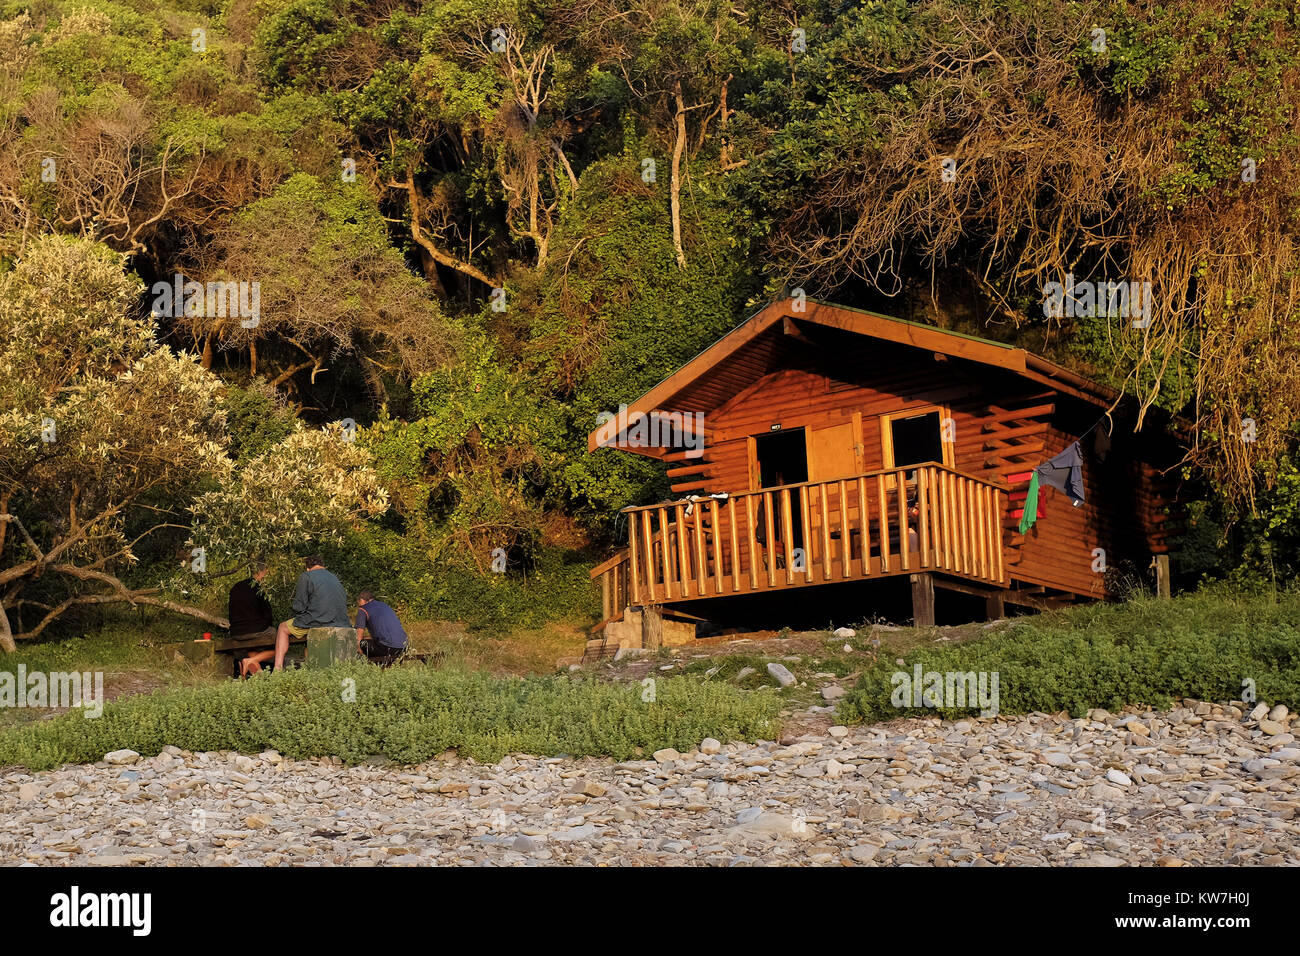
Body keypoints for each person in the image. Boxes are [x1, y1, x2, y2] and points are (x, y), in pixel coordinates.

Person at [271, 555, 352, 672]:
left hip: (318, 621)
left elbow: (299, 606)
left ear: (307, 567)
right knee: (308, 630)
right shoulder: (334, 577)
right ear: (323, 565)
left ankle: (277, 669)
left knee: (283, 627)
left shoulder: (306, 576)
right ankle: (309, 667)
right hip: (342, 622)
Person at [227, 561, 276, 677]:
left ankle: (259, 674)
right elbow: (268, 615)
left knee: (251, 646)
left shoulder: (236, 587)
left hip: (236, 632)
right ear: (262, 572)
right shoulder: (259, 588)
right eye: (266, 573)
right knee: (282, 642)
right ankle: (251, 661)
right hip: (256, 630)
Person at [354, 591, 408, 665]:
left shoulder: (363, 609)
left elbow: (358, 638)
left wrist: (360, 651)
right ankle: (384, 668)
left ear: (361, 600)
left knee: (362, 644)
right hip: (404, 647)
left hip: (388, 649)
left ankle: (370, 669)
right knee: (369, 641)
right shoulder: (384, 605)